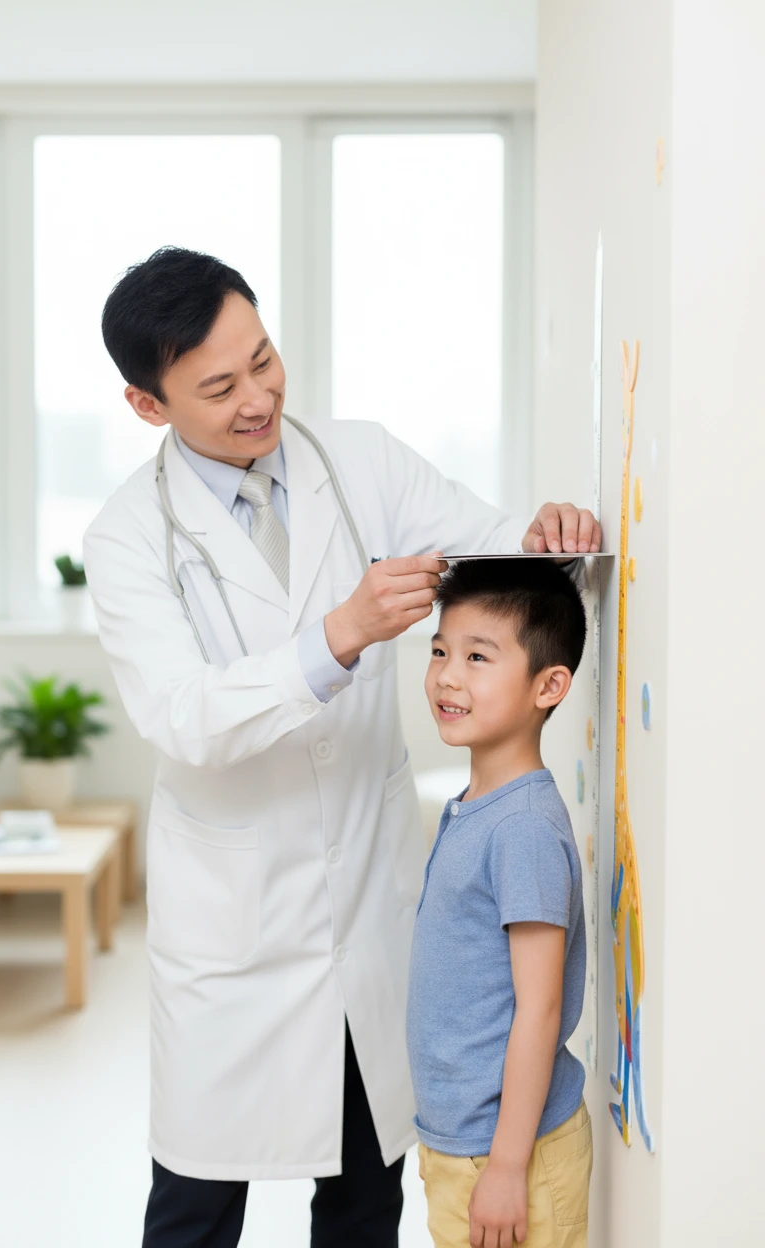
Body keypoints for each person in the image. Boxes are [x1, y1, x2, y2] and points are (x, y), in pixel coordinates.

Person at [82, 246, 601, 1248]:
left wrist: (543, 532)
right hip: (233, 941)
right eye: (219, 386)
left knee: (365, 1200)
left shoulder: (356, 461)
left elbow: (491, 546)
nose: (258, 397)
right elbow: (182, 715)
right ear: (150, 406)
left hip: (368, 904)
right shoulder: (125, 539)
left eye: (264, 359)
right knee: (194, 1210)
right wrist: (337, 635)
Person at [407, 558, 591, 1248]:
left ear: (548, 685)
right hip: (465, 1146)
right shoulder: (477, 807)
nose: (448, 676)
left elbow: (538, 1010)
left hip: (510, 1153)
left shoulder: (522, 830)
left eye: (478, 657)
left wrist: (509, 1167)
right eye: (440, 651)